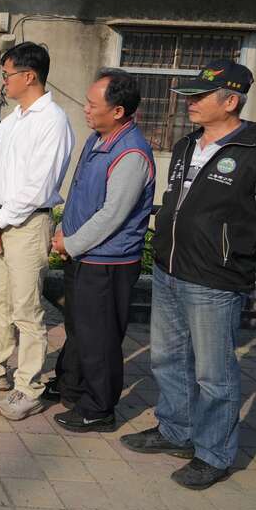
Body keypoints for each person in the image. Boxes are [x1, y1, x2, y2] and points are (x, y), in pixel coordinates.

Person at [120, 59, 256, 490]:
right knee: (167, 357)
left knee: (214, 374)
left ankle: (214, 454)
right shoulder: (187, 144)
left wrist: (233, 260)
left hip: (215, 282)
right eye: (188, 95)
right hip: (170, 269)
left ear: (230, 101)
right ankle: (176, 429)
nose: (189, 103)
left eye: (199, 96)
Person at [0, 42, 74, 422]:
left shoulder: (52, 121)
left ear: (29, 75)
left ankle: (28, 387)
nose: (3, 82)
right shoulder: (12, 120)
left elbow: (39, 187)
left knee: (27, 310)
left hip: (27, 224)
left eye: (7, 75)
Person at [48, 70, 155, 432]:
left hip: (108, 261)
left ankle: (99, 408)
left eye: (93, 104)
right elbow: (81, 192)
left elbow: (113, 214)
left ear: (119, 111)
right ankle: (71, 387)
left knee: (101, 338)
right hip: (83, 254)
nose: (86, 109)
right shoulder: (98, 139)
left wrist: (71, 242)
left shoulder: (131, 153)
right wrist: (65, 230)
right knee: (79, 330)